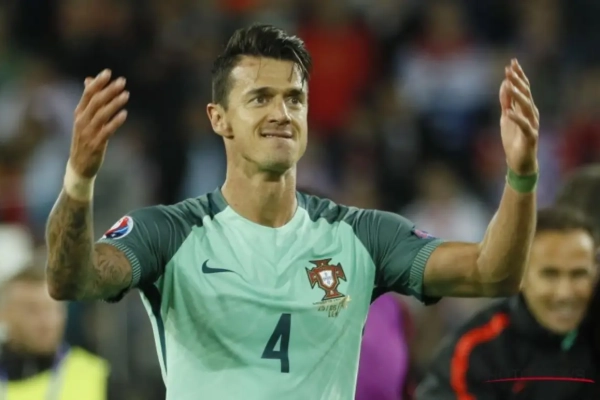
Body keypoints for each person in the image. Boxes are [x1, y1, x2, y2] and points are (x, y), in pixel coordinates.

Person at [44, 24, 540, 399]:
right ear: (219, 119)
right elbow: (72, 280)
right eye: (260, 98)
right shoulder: (170, 233)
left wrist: (521, 177)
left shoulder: (360, 236)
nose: (281, 113)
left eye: (294, 99)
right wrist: (79, 180)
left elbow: (492, 273)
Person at [415, 207, 599, 400]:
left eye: (579, 274)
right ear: (520, 274)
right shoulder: (474, 352)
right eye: (549, 275)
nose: (565, 293)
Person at [0, 263, 109, 400]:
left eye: (53, 309)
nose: (47, 322)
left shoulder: (98, 375)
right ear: (4, 314)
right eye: (32, 310)